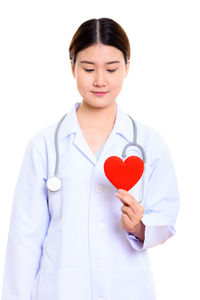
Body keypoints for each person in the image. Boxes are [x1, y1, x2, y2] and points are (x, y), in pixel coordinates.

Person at [1, 18, 180, 300]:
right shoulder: (45, 145)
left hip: (126, 289)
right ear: (72, 66)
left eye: (111, 69)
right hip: (59, 291)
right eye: (88, 68)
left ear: (127, 67)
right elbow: (24, 239)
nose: (99, 80)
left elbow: (167, 217)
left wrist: (140, 226)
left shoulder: (148, 142)